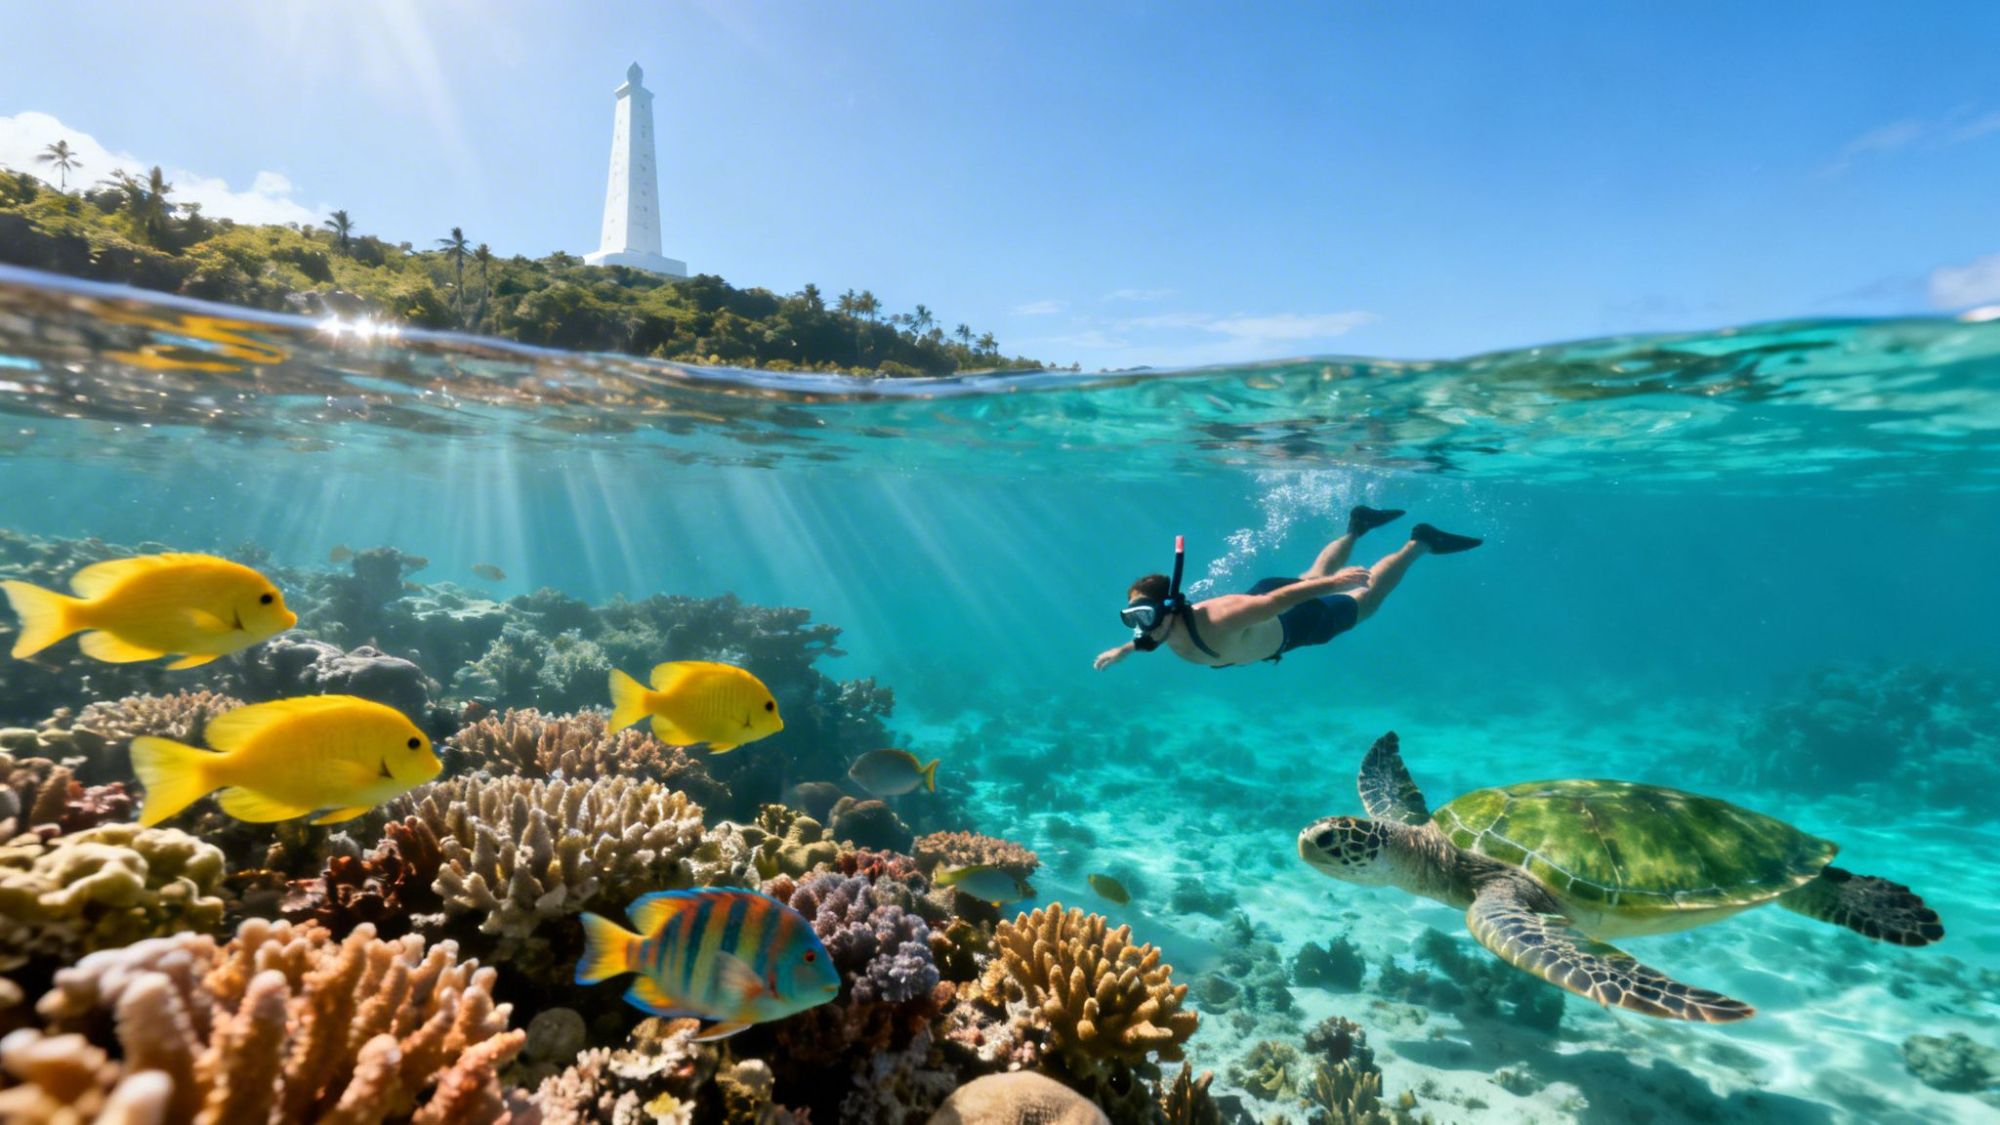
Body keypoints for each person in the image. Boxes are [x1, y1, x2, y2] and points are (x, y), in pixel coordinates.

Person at [1093, 507, 1481, 670]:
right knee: (1312, 574)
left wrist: (1335, 584)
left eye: (1144, 616)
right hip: (1265, 610)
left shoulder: (1215, 617)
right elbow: (1147, 639)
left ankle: (1421, 542)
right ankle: (1357, 525)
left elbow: (1276, 601)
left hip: (1296, 621)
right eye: (1132, 619)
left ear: (1169, 609)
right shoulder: (1160, 630)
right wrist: (1123, 650)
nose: (1139, 628)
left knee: (1366, 600)